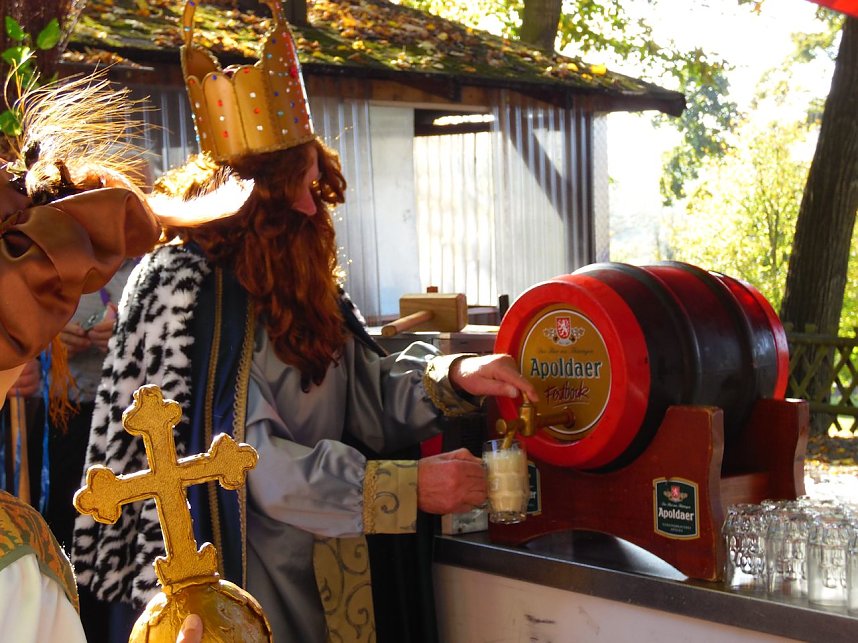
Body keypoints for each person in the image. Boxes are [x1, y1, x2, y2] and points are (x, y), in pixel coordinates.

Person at [71, 3, 538, 642]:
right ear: (244, 199)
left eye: (315, 185)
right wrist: (402, 488)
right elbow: (248, 463)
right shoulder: (182, 292)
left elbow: (366, 396)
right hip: (237, 574)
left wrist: (459, 373)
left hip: (334, 560)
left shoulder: (299, 284)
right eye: (291, 188)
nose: (309, 205)